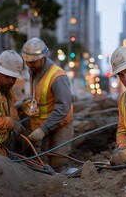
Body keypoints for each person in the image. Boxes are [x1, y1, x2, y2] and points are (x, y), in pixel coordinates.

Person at [21, 37, 74, 171]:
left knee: (58, 163)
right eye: (27, 61)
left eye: (33, 61)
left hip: (60, 125)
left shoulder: (58, 77)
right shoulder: (34, 71)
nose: (29, 64)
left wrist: (43, 129)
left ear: (43, 57)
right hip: (43, 124)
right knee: (41, 162)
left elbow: (63, 108)